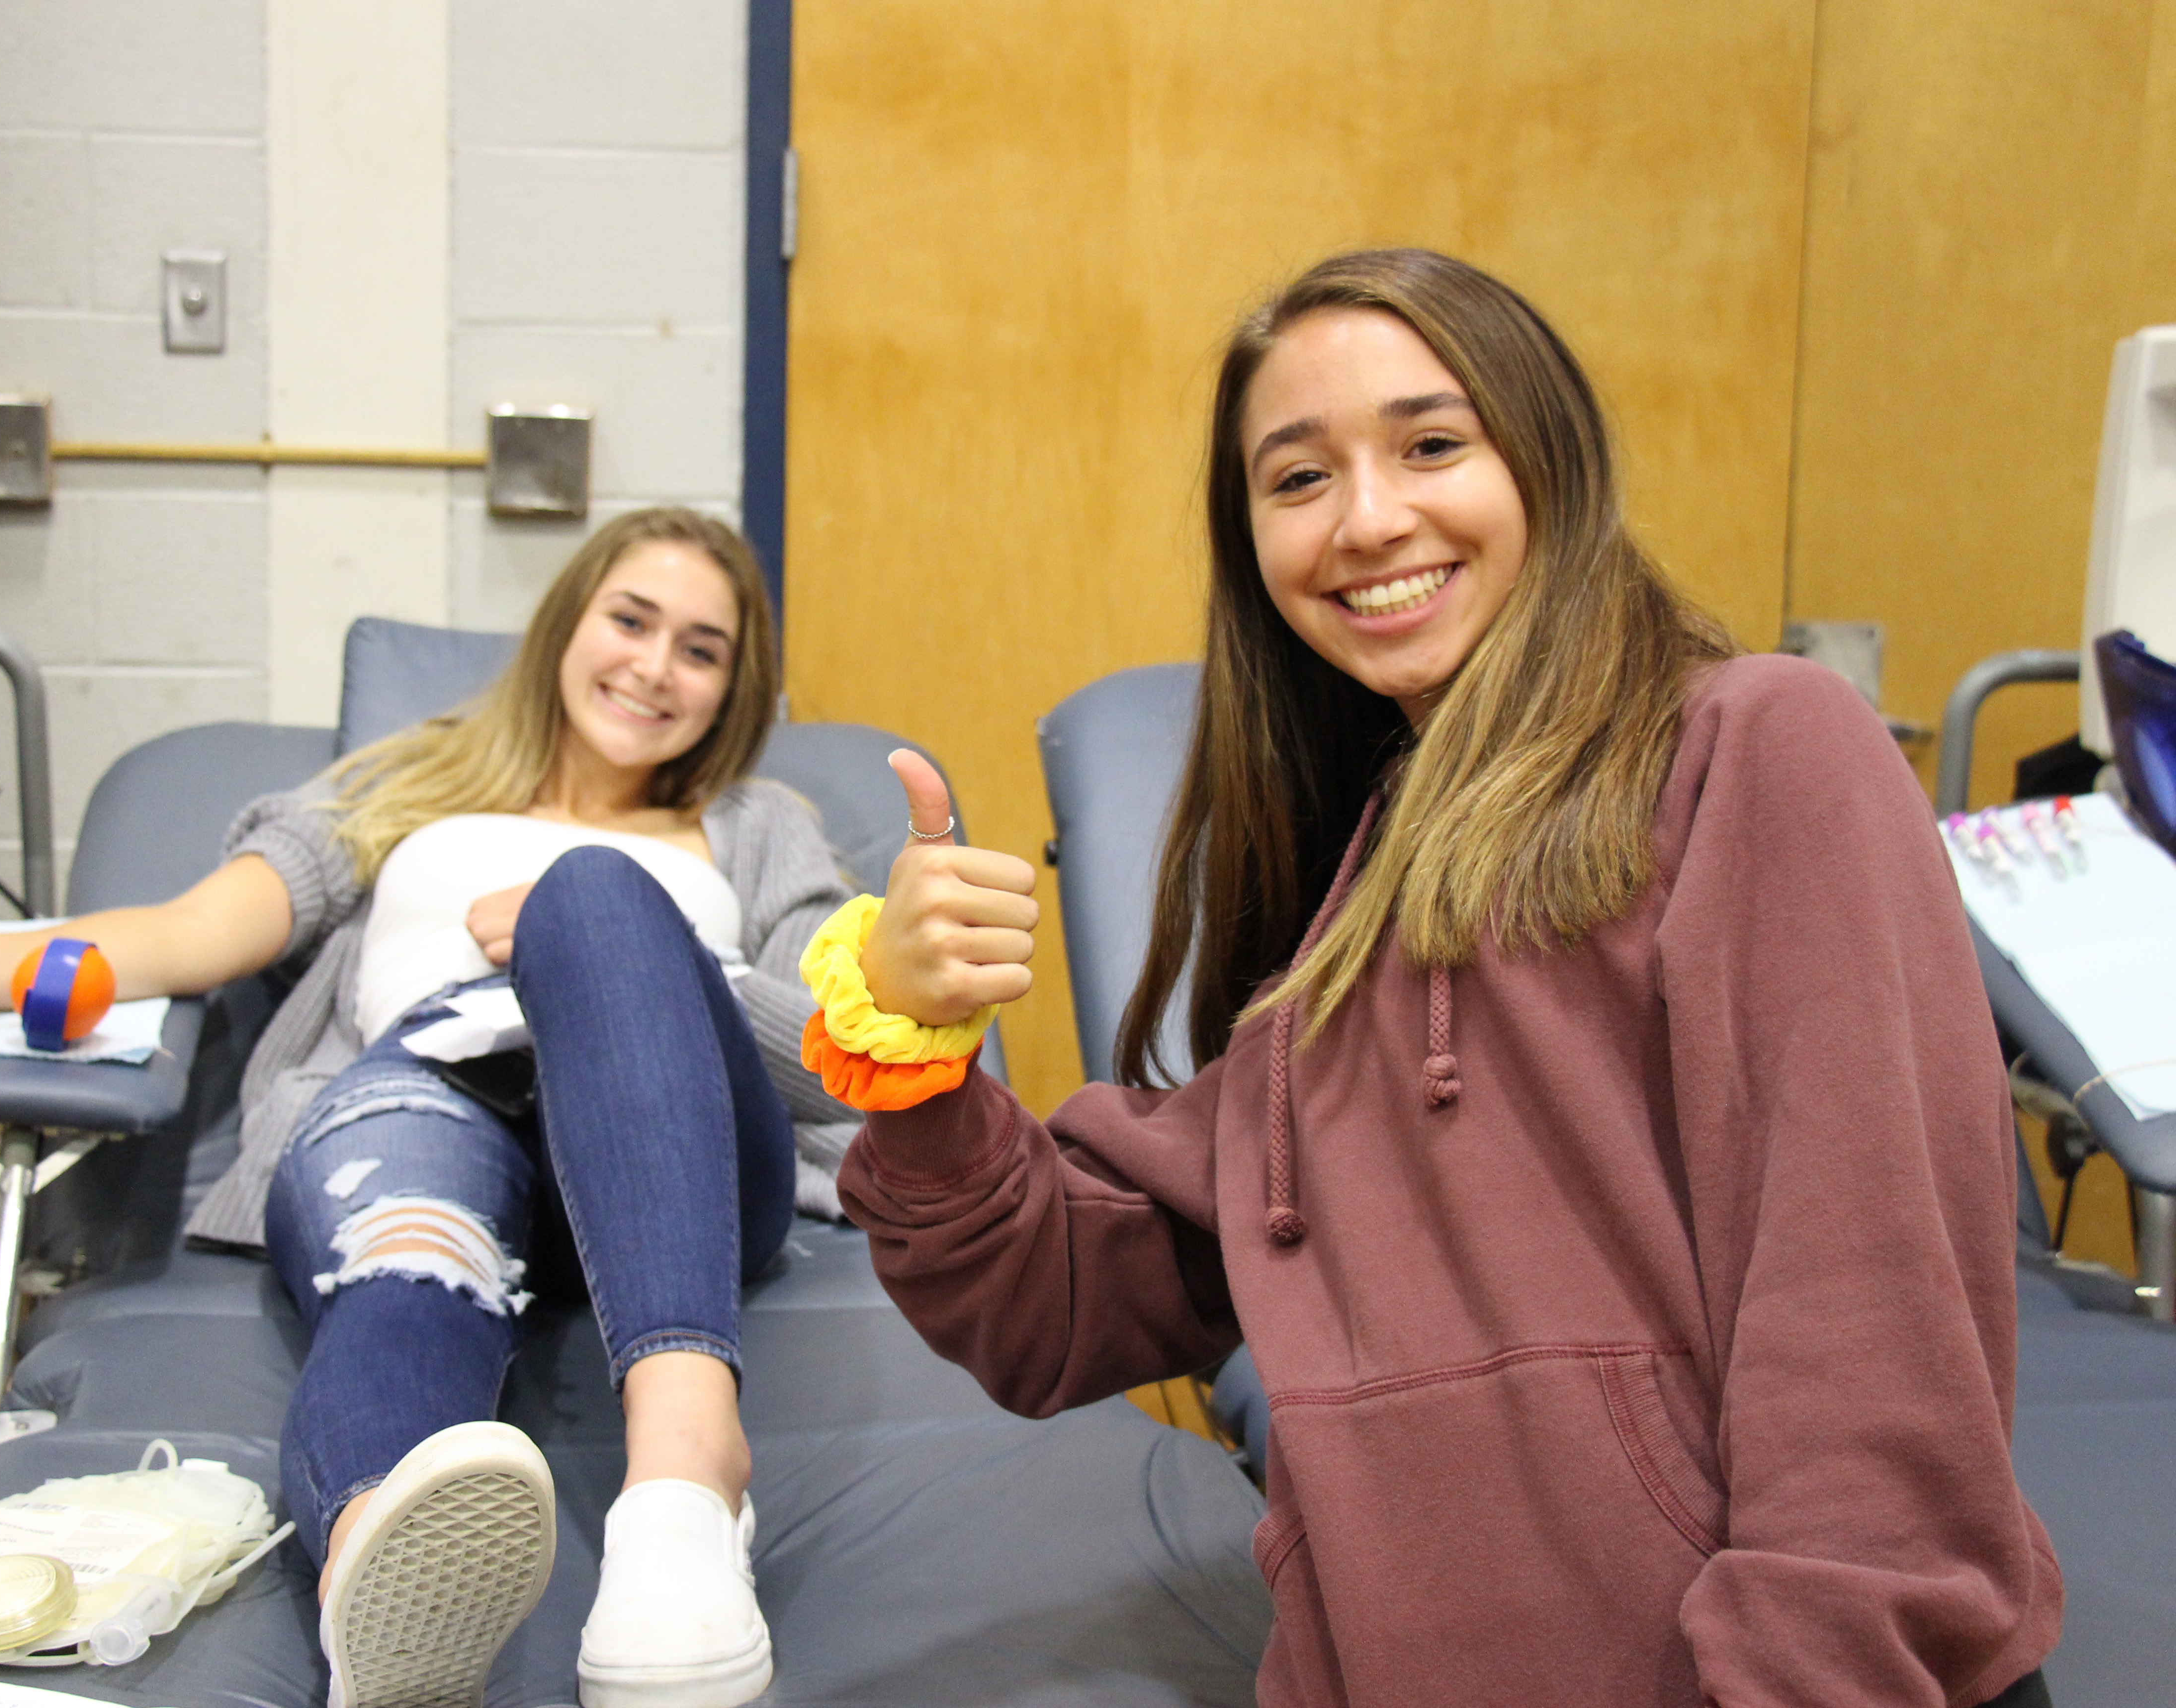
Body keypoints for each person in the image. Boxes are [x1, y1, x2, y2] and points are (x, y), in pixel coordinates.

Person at [826, 250, 2061, 1706]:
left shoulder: (1760, 746)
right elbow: (1045, 1307)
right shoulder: (1344, 934)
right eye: (1296, 480)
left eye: (1430, 445)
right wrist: (915, 1038)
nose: (1366, 520)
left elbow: (1869, 1341)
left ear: (1546, 456)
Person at [0, 507, 859, 1708]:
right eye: (632, 620)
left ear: (733, 689)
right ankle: (384, 1574)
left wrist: (623, 938)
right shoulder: (413, 787)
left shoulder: (758, 832)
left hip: (676, 1136)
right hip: (431, 1083)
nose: (655, 667)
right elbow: (195, 932)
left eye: (702, 649)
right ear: (571, 624)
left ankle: (686, 1475)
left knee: (597, 896)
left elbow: (838, 1054)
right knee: (412, 1264)